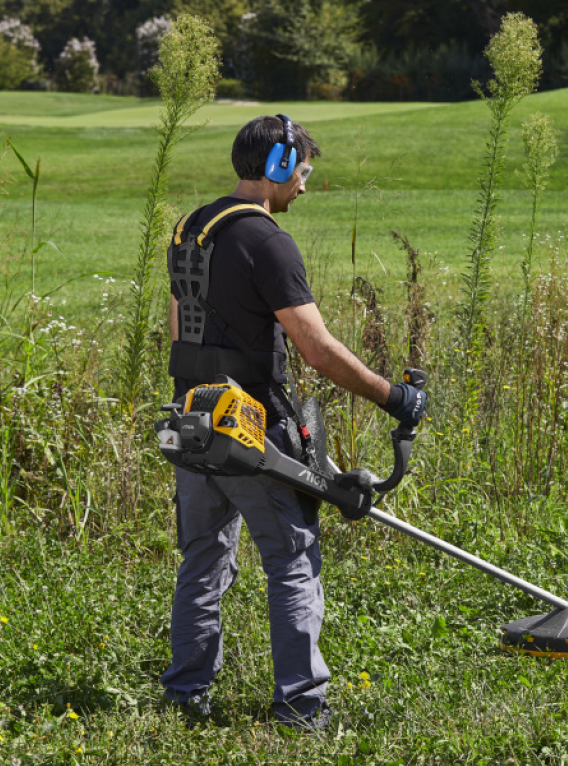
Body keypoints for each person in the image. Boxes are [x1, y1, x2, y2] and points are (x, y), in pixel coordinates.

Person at [160, 114, 427, 731]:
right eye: (302, 172)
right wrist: (394, 397)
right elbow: (317, 348)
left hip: (193, 418)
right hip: (250, 426)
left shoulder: (190, 228)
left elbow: (180, 327)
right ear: (280, 166)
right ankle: (301, 708)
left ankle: (185, 697)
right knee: (292, 559)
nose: (304, 187)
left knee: (202, 559)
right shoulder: (267, 240)